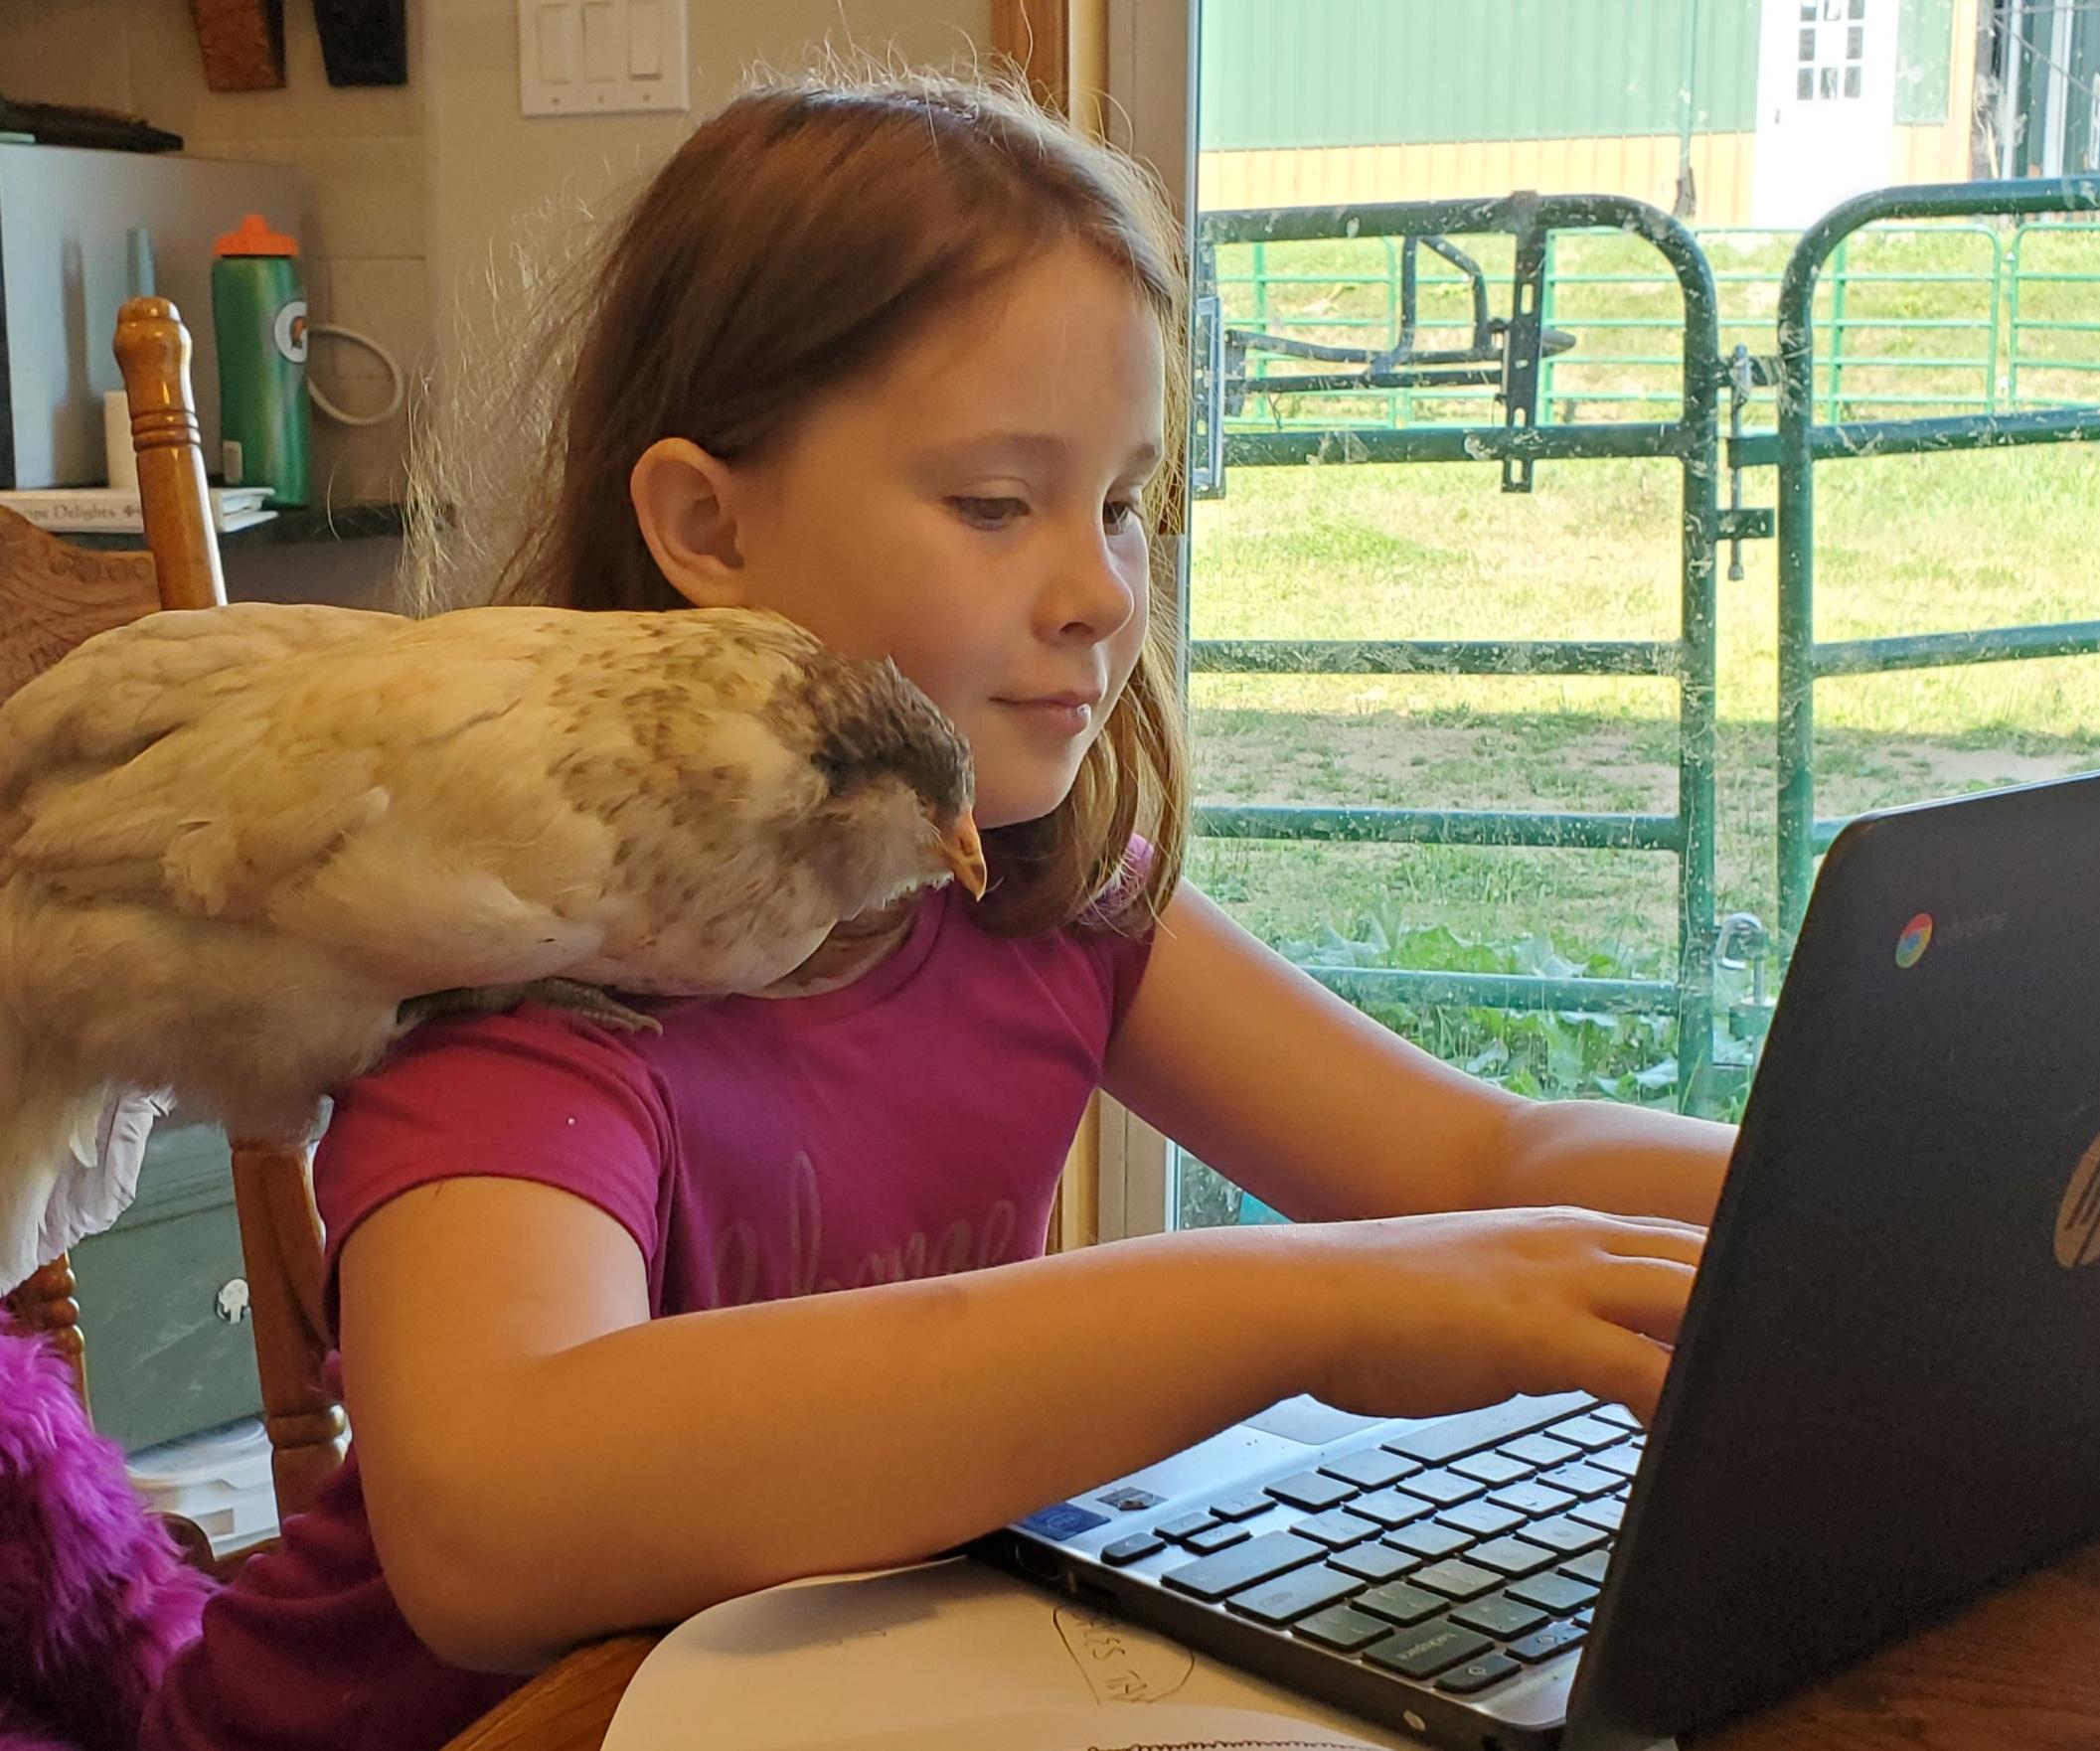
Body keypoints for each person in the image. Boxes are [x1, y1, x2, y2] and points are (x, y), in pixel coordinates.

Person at [144, 70, 1732, 1751]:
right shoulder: (538, 993)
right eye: (997, 504)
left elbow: (1478, 1165)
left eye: (1124, 502)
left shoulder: (1046, 900)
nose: (1103, 590)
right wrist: (1300, 1303)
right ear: (707, 524)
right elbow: (491, 1519)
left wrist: (1864, 1198)